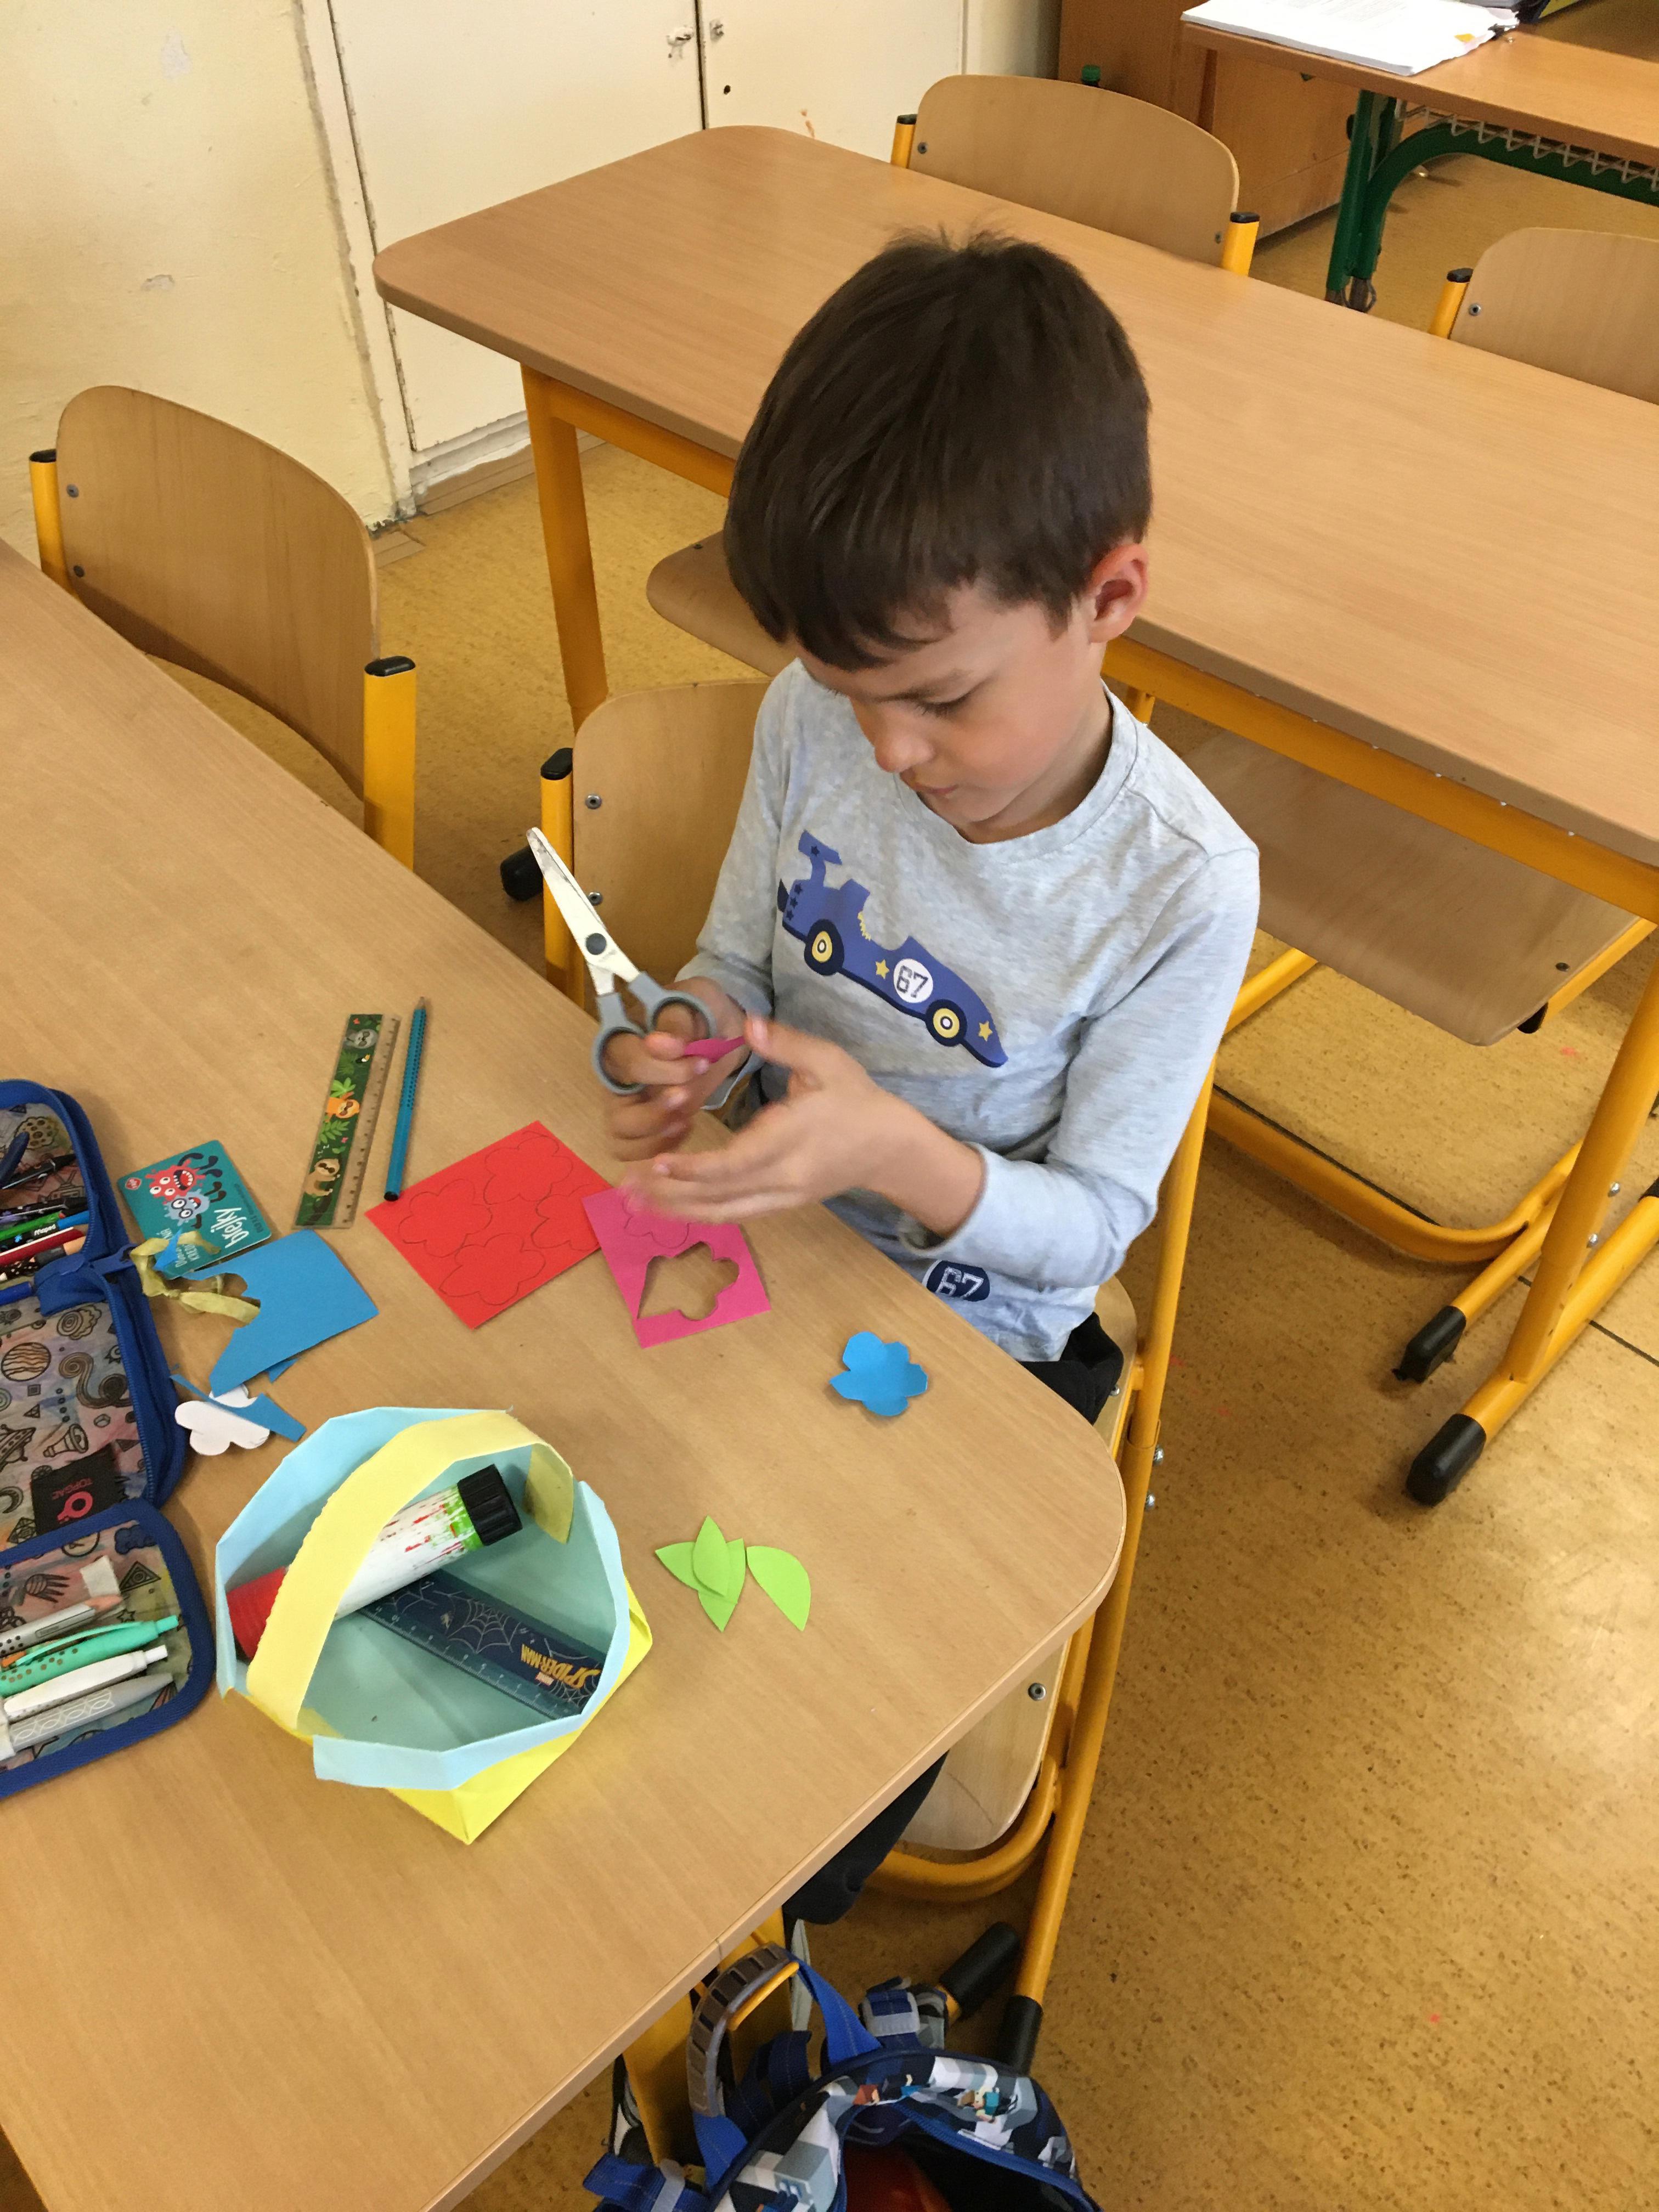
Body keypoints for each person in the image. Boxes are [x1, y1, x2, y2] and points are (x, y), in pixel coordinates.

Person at [597, 230, 1258, 1918]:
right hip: (764, 1255)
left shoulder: (1181, 885)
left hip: (978, 1346)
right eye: (852, 695)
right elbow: (736, 959)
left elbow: (1093, 1229)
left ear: (1109, 598)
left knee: (783, 1797)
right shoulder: (814, 719)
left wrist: (891, 1151)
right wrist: (687, 1034)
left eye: (943, 700)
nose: (889, 752)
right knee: (580, 1570)